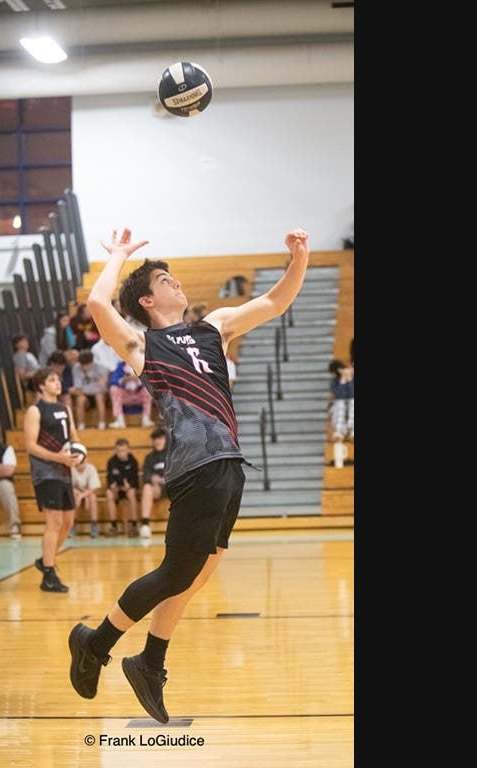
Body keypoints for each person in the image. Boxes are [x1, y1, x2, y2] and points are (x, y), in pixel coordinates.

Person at [67, 226, 310, 723]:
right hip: (195, 464)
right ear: (148, 299)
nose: (176, 283)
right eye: (165, 278)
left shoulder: (215, 325)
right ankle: (95, 644)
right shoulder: (141, 344)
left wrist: (299, 258)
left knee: (203, 567)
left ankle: (150, 661)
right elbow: (97, 302)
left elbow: (273, 303)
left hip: (228, 463)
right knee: (178, 571)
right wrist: (117, 256)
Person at [23, 366, 85, 593]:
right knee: (55, 522)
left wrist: (79, 456)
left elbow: (74, 438)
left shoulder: (64, 408)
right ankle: (48, 574)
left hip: (64, 472)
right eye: (51, 380)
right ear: (41, 385)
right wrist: (58, 457)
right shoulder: (35, 411)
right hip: (45, 473)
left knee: (68, 522)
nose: (57, 383)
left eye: (58, 379)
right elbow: (30, 445)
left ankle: (45, 560)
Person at [105, 438, 140, 537]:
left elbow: (136, 480)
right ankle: (113, 526)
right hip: (116, 490)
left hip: (128, 489)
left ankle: (134, 526)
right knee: (108, 494)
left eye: (123, 450)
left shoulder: (133, 462)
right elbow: (109, 478)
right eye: (119, 451)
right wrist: (112, 486)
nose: (121, 453)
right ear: (115, 450)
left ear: (128, 450)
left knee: (132, 493)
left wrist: (129, 486)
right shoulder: (111, 462)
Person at [138, 427, 168, 539]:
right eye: (155, 439)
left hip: (174, 487)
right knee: (146, 487)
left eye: (160, 438)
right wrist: (153, 479)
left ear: (166, 439)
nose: (157, 441)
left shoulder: (174, 454)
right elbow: (146, 475)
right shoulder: (150, 457)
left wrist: (167, 478)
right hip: (158, 489)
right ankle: (145, 525)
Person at [108, 360, 155, 429]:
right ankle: (120, 421)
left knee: (148, 389)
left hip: (139, 395)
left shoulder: (141, 365)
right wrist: (123, 379)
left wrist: (138, 380)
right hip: (125, 396)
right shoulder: (121, 365)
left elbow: (148, 379)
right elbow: (114, 380)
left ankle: (146, 419)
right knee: (114, 389)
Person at [72, 458, 102, 538]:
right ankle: (72, 525)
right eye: (77, 464)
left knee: (93, 497)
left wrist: (82, 496)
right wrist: (78, 495)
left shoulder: (91, 469)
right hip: (76, 493)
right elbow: (68, 487)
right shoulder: (70, 469)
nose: (79, 465)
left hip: (88, 494)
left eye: (81, 463)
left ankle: (94, 525)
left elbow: (93, 489)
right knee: (72, 497)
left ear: (86, 461)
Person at [328, 360, 354, 442]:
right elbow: (339, 396)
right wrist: (342, 381)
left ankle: (353, 430)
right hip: (338, 406)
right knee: (340, 403)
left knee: (353, 401)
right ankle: (339, 432)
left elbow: (353, 394)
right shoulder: (334, 382)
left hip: (351, 403)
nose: (332, 375)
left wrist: (349, 380)